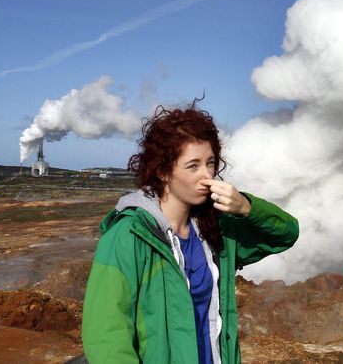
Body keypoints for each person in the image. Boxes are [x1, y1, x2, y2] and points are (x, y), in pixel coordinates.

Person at [81, 102, 299, 363]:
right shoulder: (129, 235)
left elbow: (286, 234)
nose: (207, 176)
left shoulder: (214, 230)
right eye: (193, 166)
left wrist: (246, 207)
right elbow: (106, 337)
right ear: (163, 171)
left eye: (210, 163)